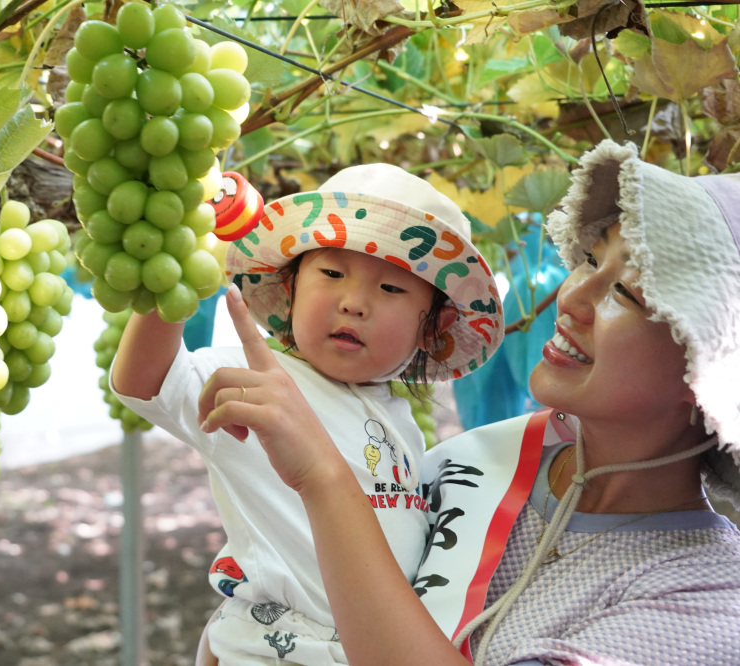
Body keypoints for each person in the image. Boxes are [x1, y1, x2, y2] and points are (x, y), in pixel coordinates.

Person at [197, 139, 740, 665]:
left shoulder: (704, 598)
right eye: (590, 260)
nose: (570, 297)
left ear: (712, 370)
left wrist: (324, 477)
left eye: (625, 292)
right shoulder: (481, 462)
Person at [111, 163, 504, 664]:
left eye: (391, 289)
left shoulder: (400, 423)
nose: (354, 303)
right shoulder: (258, 379)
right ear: (290, 287)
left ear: (433, 325)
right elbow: (145, 384)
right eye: (333, 273)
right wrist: (179, 267)